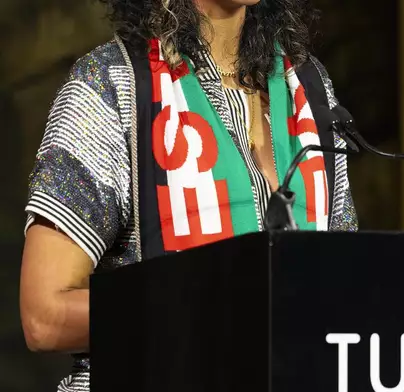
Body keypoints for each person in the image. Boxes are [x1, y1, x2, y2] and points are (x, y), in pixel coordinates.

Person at [19, 0, 358, 390]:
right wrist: (210, 308)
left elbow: (340, 286)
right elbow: (44, 318)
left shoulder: (309, 90)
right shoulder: (112, 84)